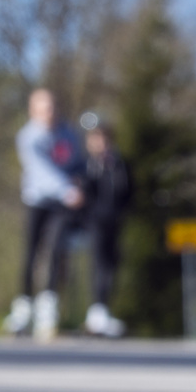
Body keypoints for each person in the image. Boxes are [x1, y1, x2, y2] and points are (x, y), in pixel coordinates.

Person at [4, 89, 84, 340]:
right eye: (44, 108)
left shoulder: (68, 134)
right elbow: (41, 170)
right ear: (33, 110)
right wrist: (68, 190)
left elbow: (78, 163)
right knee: (31, 253)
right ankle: (23, 309)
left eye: (53, 107)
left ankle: (48, 310)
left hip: (61, 205)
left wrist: (80, 183)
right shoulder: (28, 136)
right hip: (37, 200)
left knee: (55, 251)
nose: (50, 112)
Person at [78, 116, 132, 337]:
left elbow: (129, 192)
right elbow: (84, 195)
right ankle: (96, 310)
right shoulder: (86, 165)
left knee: (112, 265)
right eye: (95, 137)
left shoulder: (120, 164)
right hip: (94, 222)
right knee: (98, 264)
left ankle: (103, 310)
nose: (100, 142)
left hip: (115, 222)